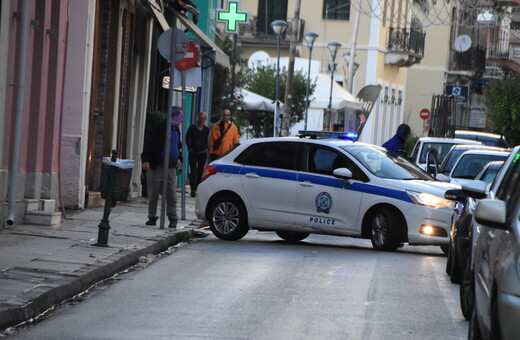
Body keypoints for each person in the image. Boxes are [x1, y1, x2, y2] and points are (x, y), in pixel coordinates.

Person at [141, 106, 183, 228]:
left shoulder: (176, 130)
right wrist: (146, 160)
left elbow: (177, 146)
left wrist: (179, 158)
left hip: (170, 167)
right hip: (157, 166)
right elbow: (150, 143)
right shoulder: (160, 128)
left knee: (171, 195)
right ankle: (152, 216)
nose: (182, 119)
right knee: (153, 193)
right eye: (181, 117)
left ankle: (173, 218)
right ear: (174, 116)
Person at [186, 112, 209, 197]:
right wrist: (189, 147)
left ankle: (198, 189)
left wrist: (207, 148)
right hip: (193, 153)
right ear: (198, 118)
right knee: (193, 171)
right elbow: (187, 138)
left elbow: (206, 140)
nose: (202, 120)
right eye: (201, 118)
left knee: (200, 172)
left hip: (202, 153)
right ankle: (193, 190)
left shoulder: (206, 129)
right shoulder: (192, 127)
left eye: (204, 118)